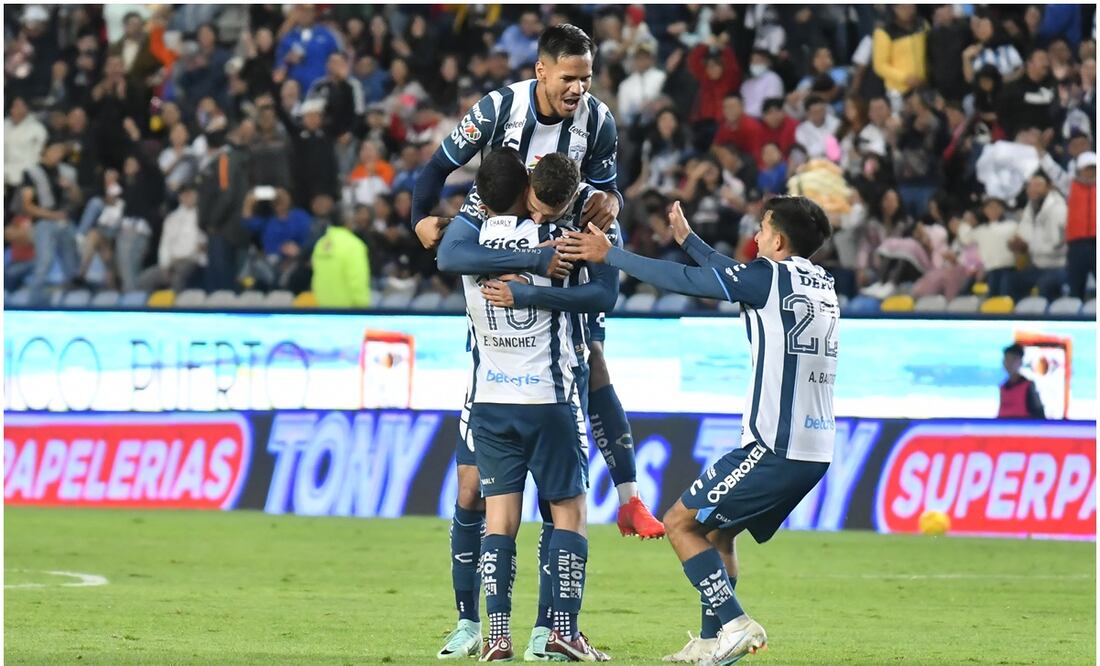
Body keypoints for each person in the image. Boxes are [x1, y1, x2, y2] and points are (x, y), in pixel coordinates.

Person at [559, 195, 836, 665]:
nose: (755, 238)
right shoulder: (820, 282)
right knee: (716, 532)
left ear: (780, 241)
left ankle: (735, 623)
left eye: (763, 231)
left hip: (773, 445)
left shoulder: (767, 276)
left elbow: (689, 281)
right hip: (814, 447)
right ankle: (711, 642)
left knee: (680, 523)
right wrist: (690, 241)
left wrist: (613, 256)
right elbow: (730, 273)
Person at [436, 149, 609, 662]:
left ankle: (496, 637)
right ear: (526, 189)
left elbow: (448, 255)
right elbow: (603, 297)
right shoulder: (559, 239)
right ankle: (560, 631)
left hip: (490, 399)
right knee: (569, 513)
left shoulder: (473, 242)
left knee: (499, 520)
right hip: (546, 397)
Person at [1010, 172, 1068, 300]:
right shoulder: (1030, 208)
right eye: (1029, 186)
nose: (1032, 189)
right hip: (1037, 265)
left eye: (1037, 185)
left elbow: (1060, 246)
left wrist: (1029, 247)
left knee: (1045, 284)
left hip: (1059, 266)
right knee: (1012, 281)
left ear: (1049, 187)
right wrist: (1018, 243)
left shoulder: (1059, 209)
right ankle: (1018, 318)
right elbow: (1023, 234)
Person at [311, 207, 371, 308]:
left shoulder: (320, 244)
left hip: (323, 309)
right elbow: (357, 280)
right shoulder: (354, 245)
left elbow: (315, 277)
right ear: (348, 221)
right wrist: (363, 308)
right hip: (349, 313)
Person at [998, 343, 1045, 419]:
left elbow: (1039, 415)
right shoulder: (1003, 387)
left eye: (1012, 360)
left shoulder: (1028, 386)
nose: (1008, 363)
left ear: (1020, 362)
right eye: (1006, 359)